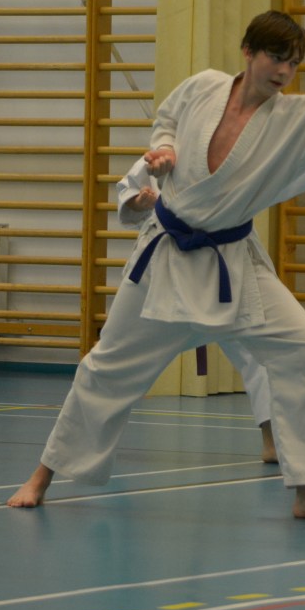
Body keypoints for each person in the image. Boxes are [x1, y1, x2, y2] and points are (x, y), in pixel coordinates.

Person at [8, 10, 305, 520]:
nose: (284, 71)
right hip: (165, 259)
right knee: (107, 366)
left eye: (293, 64)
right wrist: (163, 153)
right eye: (276, 58)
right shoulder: (203, 87)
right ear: (248, 51)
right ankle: (41, 476)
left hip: (233, 263)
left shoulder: (293, 119)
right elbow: (166, 121)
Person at [117, 158, 279, 463]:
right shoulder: (168, 150)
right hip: (171, 268)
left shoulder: (242, 151)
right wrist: (139, 203)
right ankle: (99, 436)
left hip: (228, 266)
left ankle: (272, 440)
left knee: (259, 357)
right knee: (122, 358)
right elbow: (131, 194)